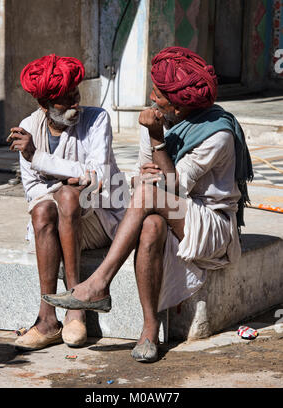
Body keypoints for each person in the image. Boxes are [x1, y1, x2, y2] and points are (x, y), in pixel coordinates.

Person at [42, 47, 253, 362]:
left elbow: (170, 188)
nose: (153, 98)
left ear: (179, 103)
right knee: (151, 224)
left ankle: (99, 282)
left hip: (211, 223)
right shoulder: (157, 118)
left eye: (159, 94)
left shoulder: (217, 133)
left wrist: (158, 140)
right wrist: (148, 165)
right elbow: (142, 177)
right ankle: (150, 330)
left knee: (150, 198)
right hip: (170, 211)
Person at [9, 54, 124, 350]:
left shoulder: (97, 119)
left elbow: (96, 177)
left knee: (70, 197)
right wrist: (64, 182)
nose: (75, 105)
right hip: (54, 220)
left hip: (98, 218)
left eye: (76, 96)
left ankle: (76, 309)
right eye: (65, 101)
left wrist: (39, 158)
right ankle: (47, 320)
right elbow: (33, 191)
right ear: (43, 105)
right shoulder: (28, 127)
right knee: (46, 206)